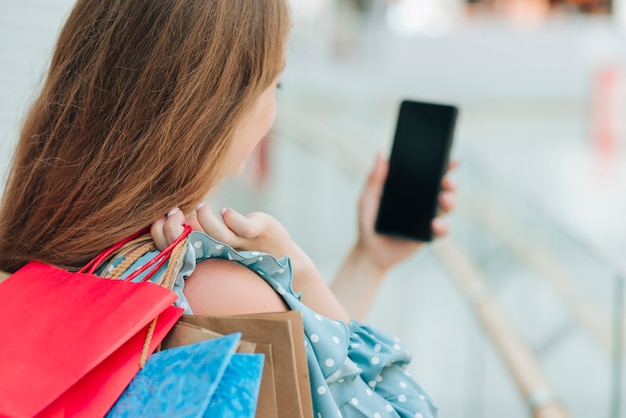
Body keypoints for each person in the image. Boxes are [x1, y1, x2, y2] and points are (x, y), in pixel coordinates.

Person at [0, 0, 456, 416]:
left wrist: (369, 262)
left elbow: (309, 388)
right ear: (219, 104)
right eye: (275, 82)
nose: (273, 109)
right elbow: (401, 407)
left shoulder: (48, 264)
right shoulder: (216, 293)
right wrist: (297, 268)